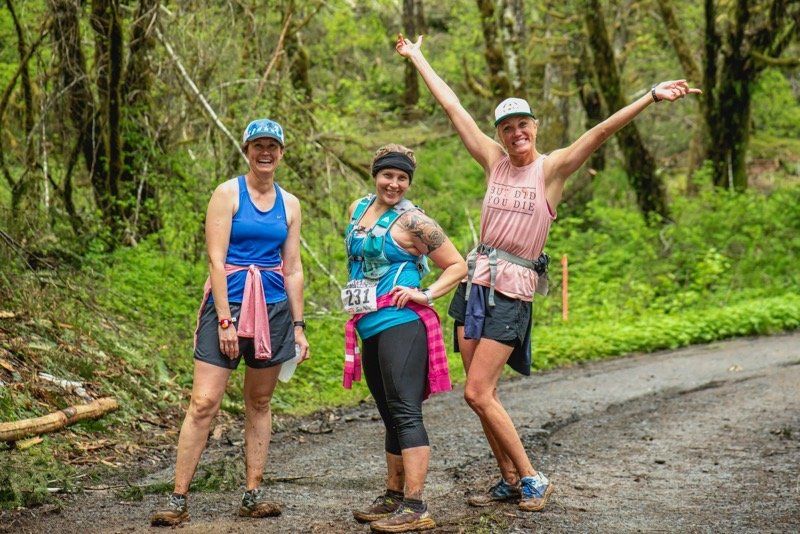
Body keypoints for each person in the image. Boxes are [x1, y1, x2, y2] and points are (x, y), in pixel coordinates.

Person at [396, 33, 701, 512]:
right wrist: (418, 58)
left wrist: (649, 96)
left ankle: (534, 478)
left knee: (478, 393)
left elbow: (598, 132)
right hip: (476, 283)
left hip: (512, 290)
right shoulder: (493, 161)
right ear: (499, 134)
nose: (516, 133)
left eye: (523, 125)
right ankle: (508, 479)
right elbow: (453, 107)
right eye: (507, 127)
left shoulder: (551, 168)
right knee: (480, 394)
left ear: (534, 127)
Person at [150, 118, 309, 526]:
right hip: (229, 305)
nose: (265, 152)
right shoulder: (227, 194)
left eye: (272, 146)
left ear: (282, 153)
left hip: (272, 308)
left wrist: (298, 325)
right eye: (258, 145)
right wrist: (224, 319)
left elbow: (292, 268)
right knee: (204, 402)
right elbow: (216, 260)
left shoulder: (290, 204)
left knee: (259, 401)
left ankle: (253, 493)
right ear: (247, 150)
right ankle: (178, 498)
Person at [342, 144, 467, 533]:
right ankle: (393, 496)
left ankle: (416, 505)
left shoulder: (415, 222)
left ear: (408, 182)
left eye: (401, 178)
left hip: (402, 320)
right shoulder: (357, 209)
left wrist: (426, 294)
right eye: (387, 175)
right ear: (375, 174)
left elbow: (458, 264)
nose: (393, 184)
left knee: (405, 409)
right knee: (388, 411)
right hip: (369, 321)